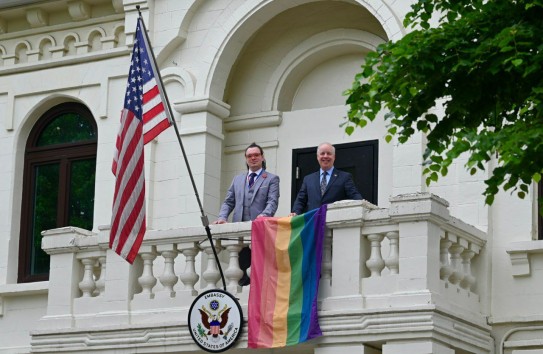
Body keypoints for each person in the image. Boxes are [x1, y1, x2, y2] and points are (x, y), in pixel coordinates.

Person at [213, 142, 280, 285]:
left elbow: (272, 202)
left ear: (262, 157)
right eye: (249, 156)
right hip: (240, 235)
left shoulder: (271, 179)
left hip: (260, 231)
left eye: (256, 155)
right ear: (246, 159)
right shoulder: (237, 179)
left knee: (259, 272)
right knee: (241, 272)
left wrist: (264, 215)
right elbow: (229, 201)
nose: (253, 158)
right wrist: (222, 217)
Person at [290, 142, 362, 216]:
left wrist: (363, 205)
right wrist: (295, 212)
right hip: (313, 222)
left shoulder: (345, 177)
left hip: (334, 222)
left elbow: (355, 197)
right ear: (317, 157)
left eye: (329, 153)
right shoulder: (308, 179)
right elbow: (300, 200)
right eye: (322, 153)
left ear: (334, 157)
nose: (325, 156)